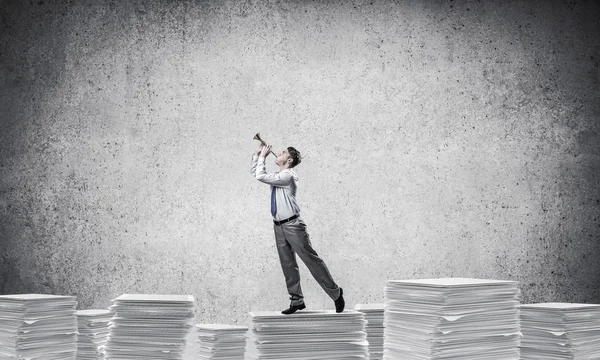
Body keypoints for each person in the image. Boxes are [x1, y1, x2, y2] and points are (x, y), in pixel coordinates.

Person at [251, 143, 345, 315]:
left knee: (311, 261)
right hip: (279, 226)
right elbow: (256, 173)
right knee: (288, 264)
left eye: (283, 152)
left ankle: (336, 292)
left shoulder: (288, 175)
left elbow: (260, 176)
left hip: (293, 225)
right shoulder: (280, 175)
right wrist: (257, 156)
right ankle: (297, 300)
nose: (278, 152)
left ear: (289, 160)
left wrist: (263, 157)